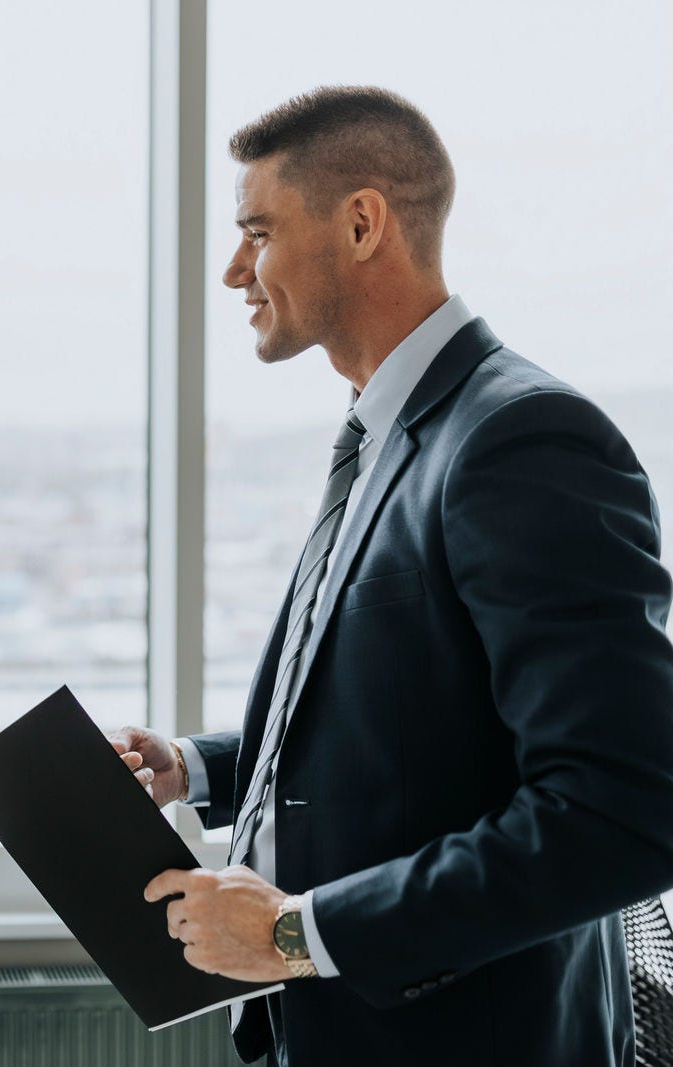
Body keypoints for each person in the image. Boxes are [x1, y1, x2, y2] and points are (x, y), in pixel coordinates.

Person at [111, 87, 673, 1066]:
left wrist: (294, 931)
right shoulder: (385, 436)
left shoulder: (520, 439)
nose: (234, 269)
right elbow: (415, 735)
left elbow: (622, 808)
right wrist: (198, 767)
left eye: (256, 231)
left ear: (362, 223)